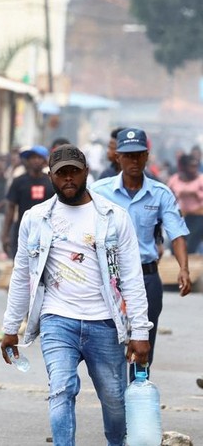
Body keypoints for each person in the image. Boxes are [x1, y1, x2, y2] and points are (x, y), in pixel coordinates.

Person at [1, 144, 152, 446]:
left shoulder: (113, 217)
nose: (68, 179)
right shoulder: (35, 219)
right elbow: (22, 275)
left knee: (113, 399)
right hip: (58, 320)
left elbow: (132, 278)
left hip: (105, 322)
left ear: (85, 172)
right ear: (51, 177)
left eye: (73, 172)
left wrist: (140, 330)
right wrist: (9, 327)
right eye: (61, 174)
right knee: (61, 389)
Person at [91, 128, 191, 381]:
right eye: (128, 155)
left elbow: (177, 233)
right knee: (109, 338)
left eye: (139, 155)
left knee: (143, 340)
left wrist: (184, 269)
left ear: (147, 156)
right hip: (110, 278)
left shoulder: (160, 194)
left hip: (146, 278)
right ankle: (114, 394)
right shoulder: (99, 192)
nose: (134, 161)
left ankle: (138, 391)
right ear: (118, 158)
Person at [3, 145, 54, 258]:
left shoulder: (51, 182)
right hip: (23, 230)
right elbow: (11, 207)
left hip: (45, 232)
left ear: (44, 161)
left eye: (39, 157)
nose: (36, 161)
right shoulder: (18, 182)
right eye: (33, 158)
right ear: (28, 160)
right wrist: (5, 235)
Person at [167, 154, 203, 254]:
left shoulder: (200, 179)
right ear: (184, 167)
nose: (194, 169)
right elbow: (167, 194)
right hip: (182, 216)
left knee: (191, 243)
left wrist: (196, 194)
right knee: (175, 244)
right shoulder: (175, 179)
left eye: (196, 166)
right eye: (191, 166)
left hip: (199, 217)